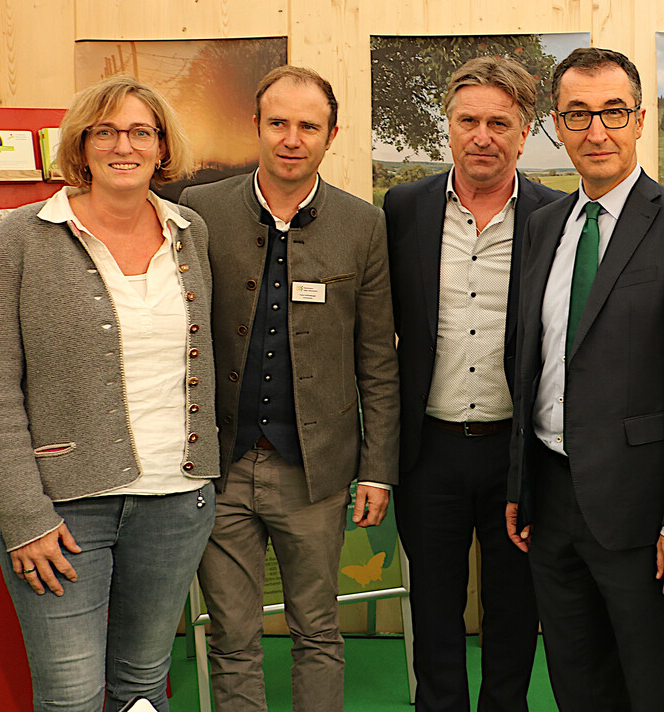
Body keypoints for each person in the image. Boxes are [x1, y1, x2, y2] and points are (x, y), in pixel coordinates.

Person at [506, 47, 664, 712]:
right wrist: (522, 482)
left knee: (654, 688)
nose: (595, 131)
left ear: (637, 121)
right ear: (555, 124)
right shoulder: (543, 226)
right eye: (577, 115)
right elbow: (529, 364)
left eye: (611, 113)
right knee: (578, 684)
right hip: (550, 504)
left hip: (642, 515)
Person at [0, 75, 217, 712]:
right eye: (105, 131)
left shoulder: (188, 231)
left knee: (143, 689)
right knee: (70, 696)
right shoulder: (21, 237)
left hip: (176, 501)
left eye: (141, 131)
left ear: (162, 145)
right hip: (63, 513)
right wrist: (25, 516)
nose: (124, 144)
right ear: (81, 146)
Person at [178, 65, 398, 711]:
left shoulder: (364, 225)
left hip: (315, 472)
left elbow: (378, 363)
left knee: (317, 631)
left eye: (309, 125)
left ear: (332, 134)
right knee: (233, 637)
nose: (292, 138)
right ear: (257, 126)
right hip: (220, 467)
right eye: (279, 122)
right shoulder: (200, 210)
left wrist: (377, 470)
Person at [384, 56, 563, 712]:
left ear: (524, 133)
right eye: (468, 121)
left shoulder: (557, 215)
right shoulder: (402, 208)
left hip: (516, 453)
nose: (481, 135)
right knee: (433, 606)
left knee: (514, 608)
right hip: (427, 450)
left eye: (499, 122)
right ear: (447, 127)